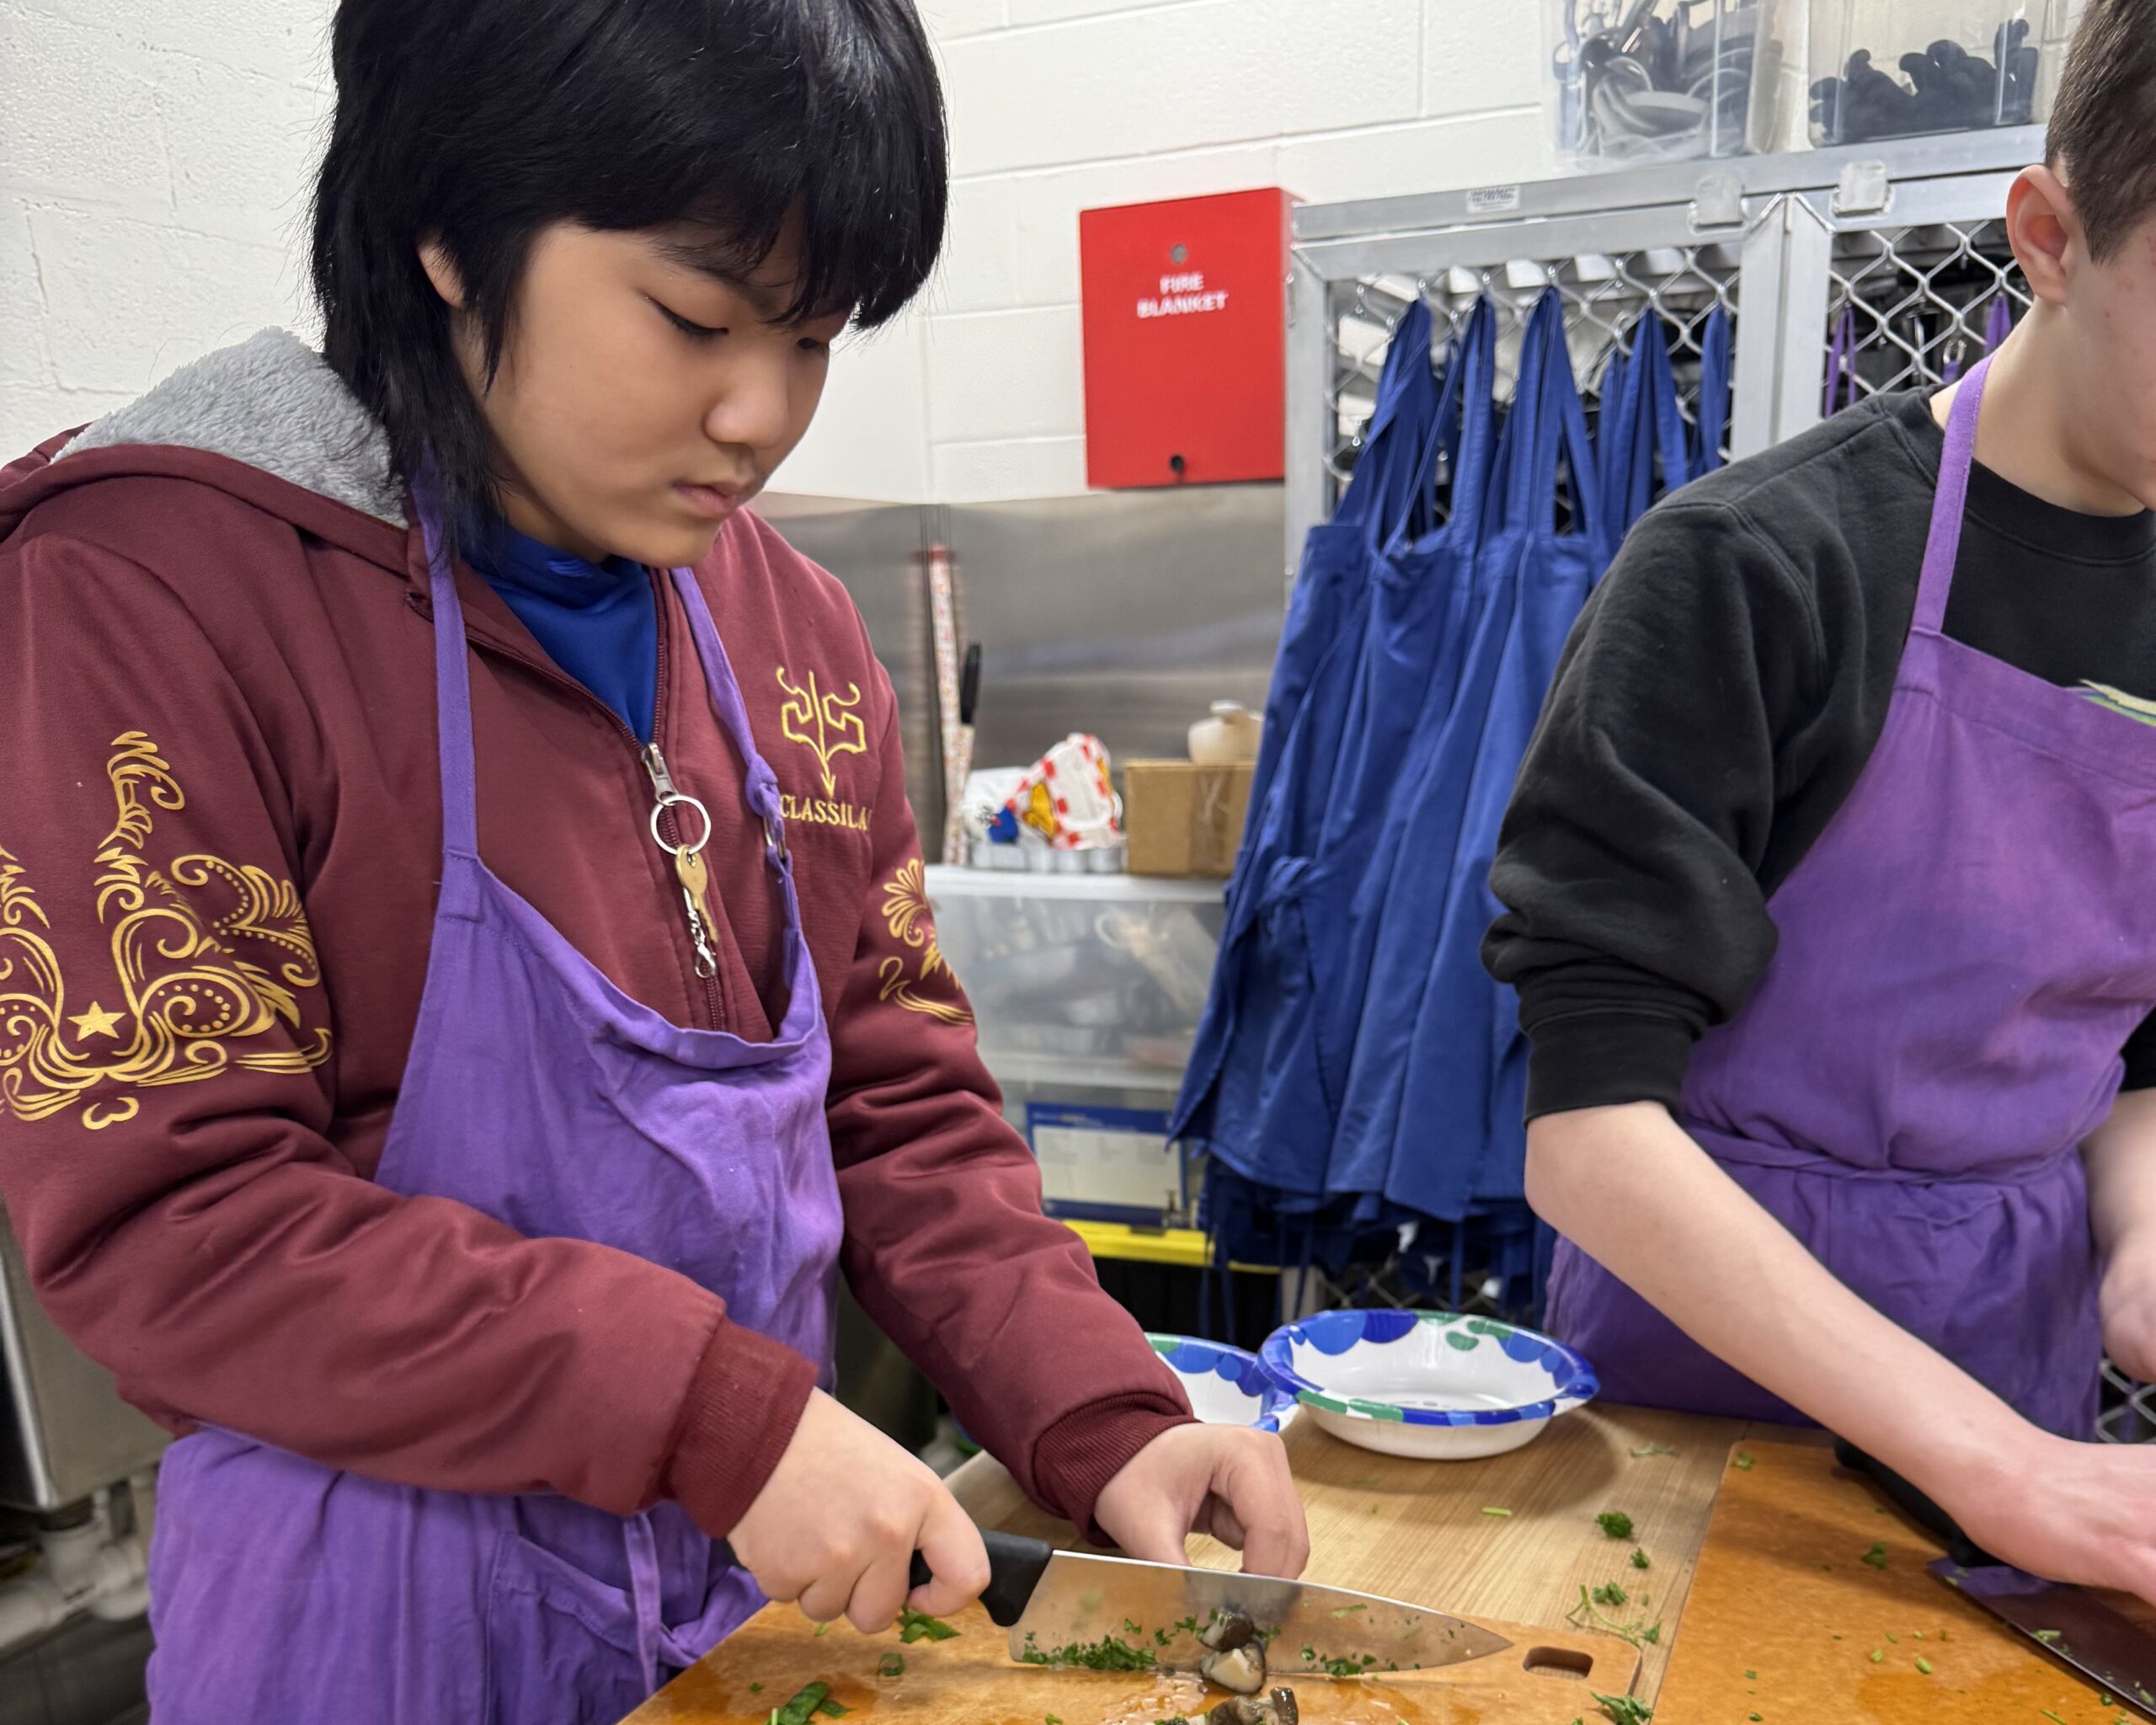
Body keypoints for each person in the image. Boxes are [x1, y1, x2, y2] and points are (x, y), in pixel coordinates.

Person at [0, 2, 1307, 1717]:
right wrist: (714, 1415)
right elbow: (182, 1224)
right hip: (378, 1636)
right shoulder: (156, 590)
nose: (763, 415)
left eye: (817, 337)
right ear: (449, 230)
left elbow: (896, 1098)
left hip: (755, 1600)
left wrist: (1101, 1407)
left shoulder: (790, 629)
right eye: (694, 318)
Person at [1486, 0, 2156, 1605]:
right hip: (1701, 1387)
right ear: (2049, 236)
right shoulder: (1758, 571)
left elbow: (2132, 1055)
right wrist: (2000, 1471)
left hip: (2019, 1363)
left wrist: (2141, 1242)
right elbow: (1587, 1136)